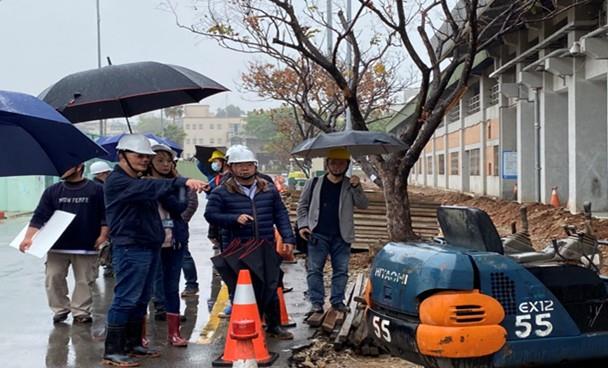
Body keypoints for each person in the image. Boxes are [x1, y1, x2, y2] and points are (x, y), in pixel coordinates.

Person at [102, 134, 207, 367]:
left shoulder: (140, 180)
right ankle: (113, 350)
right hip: (131, 247)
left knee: (140, 299)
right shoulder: (118, 181)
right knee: (126, 298)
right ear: (122, 156)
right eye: (138, 156)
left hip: (149, 246)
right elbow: (148, 186)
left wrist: (175, 185)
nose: (143, 160)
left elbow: (174, 203)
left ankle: (132, 344)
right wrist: (181, 182)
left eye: (146, 156)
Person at [204, 146, 296, 339]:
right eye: (239, 165)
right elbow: (210, 215)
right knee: (241, 288)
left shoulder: (268, 189)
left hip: (265, 245)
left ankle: (274, 325)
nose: (244, 169)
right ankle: (243, 327)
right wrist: (233, 218)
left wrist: (288, 238)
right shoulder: (221, 192)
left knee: (271, 285)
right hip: (238, 248)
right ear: (231, 167)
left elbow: (281, 214)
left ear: (255, 166)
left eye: (248, 164)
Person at [19, 163, 107, 325]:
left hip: (86, 245)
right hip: (56, 246)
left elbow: (105, 214)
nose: (61, 170)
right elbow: (40, 216)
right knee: (53, 277)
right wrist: (28, 237)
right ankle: (60, 309)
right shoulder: (52, 191)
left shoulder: (96, 190)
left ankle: (81, 311)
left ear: (79, 167)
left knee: (84, 280)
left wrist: (103, 235)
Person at [296, 148, 369, 315]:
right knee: (315, 270)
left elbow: (363, 205)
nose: (337, 166)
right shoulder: (313, 183)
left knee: (341, 270)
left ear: (347, 165)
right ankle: (316, 302)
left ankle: (337, 301)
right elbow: (302, 207)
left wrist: (357, 187)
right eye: (333, 162)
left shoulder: (350, 185)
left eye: (341, 163)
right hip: (317, 234)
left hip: (342, 236)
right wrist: (303, 225)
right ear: (327, 164)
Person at [147, 143, 191, 347]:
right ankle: (141, 335)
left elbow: (180, 205)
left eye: (168, 161)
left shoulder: (178, 183)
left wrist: (163, 189)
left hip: (174, 240)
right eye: (159, 161)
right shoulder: (139, 182)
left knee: (172, 286)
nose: (165, 165)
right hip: (149, 241)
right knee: (146, 287)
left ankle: (174, 333)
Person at [90, 160, 114, 278]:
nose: (109, 175)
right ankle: (108, 266)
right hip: (104, 222)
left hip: (96, 223)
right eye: (107, 173)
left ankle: (102, 269)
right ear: (101, 174)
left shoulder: (93, 186)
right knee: (106, 246)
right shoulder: (102, 188)